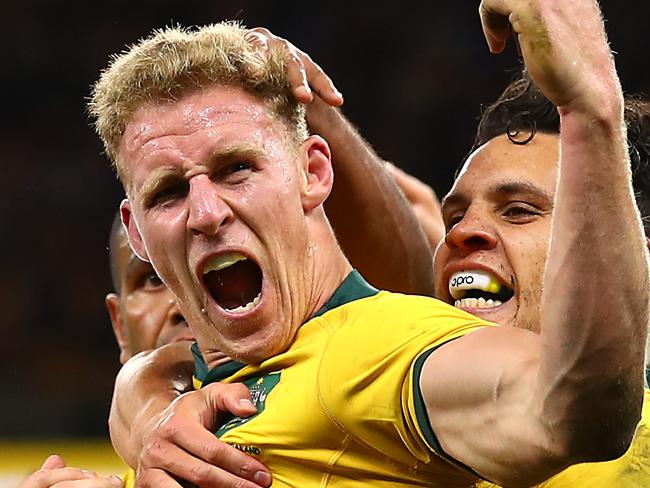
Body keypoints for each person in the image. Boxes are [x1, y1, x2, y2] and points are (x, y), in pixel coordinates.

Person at [89, 1, 648, 485]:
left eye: (237, 169)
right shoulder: (183, 411)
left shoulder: (380, 354)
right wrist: (139, 396)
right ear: (135, 231)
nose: (205, 214)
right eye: (166, 194)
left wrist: (590, 108)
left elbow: (574, 410)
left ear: (313, 176)